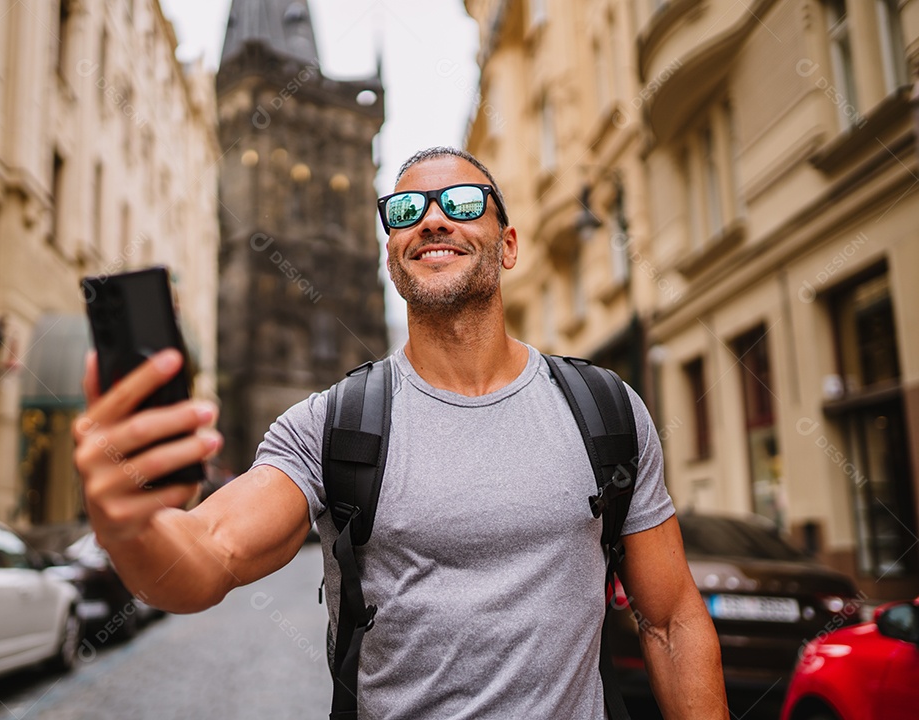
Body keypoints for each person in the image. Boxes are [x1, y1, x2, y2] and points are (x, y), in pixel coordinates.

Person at [73, 147, 728, 719]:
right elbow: (211, 552)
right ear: (391, 253)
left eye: (463, 202)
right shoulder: (333, 424)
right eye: (406, 210)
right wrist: (129, 525)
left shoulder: (603, 409)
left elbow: (669, 619)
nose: (433, 219)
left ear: (509, 243)